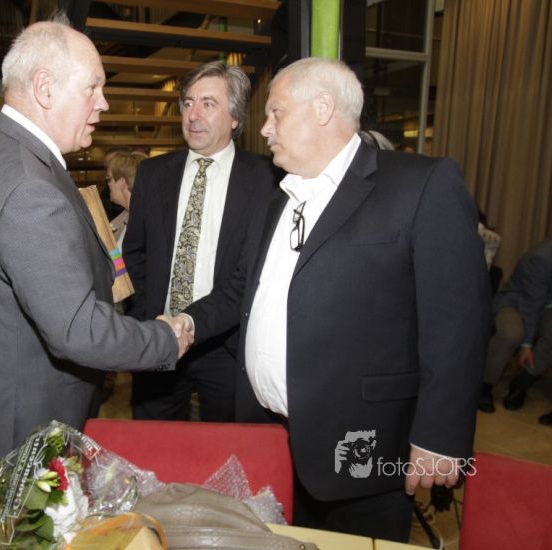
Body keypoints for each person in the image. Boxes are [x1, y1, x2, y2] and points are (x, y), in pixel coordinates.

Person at [176, 58, 490, 542]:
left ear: (323, 108)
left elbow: (457, 320)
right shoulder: (276, 197)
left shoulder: (420, 185)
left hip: (360, 447)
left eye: (276, 113)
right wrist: (188, 322)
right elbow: (243, 289)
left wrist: (439, 437)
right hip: (268, 437)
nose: (265, 129)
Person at [0, 15, 187, 469]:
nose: (103, 103)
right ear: (45, 88)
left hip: (9, 403)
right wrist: (164, 340)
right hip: (32, 424)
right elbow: (79, 331)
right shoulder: (29, 185)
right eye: (92, 87)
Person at [123, 60, 277, 423]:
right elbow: (134, 252)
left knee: (227, 449)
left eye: (208, 104)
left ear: (235, 117)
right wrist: (147, 315)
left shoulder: (267, 180)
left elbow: (257, 271)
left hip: (227, 345)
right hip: (159, 337)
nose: (193, 115)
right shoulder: (153, 173)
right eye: (188, 103)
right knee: (154, 444)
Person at [479, 237, 552, 415]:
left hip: (546, 306)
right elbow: (531, 305)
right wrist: (527, 344)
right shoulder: (542, 257)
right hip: (517, 302)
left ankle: (523, 381)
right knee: (512, 333)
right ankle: (484, 385)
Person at [105, 151, 145, 248]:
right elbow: (117, 255)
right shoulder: (127, 217)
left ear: (122, 183)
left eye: (109, 179)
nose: (108, 184)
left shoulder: (142, 223)